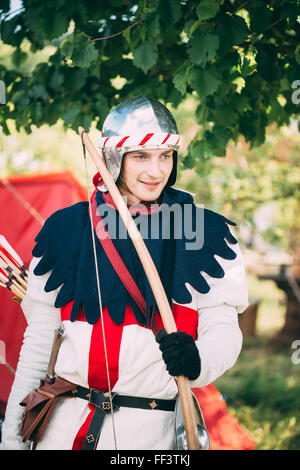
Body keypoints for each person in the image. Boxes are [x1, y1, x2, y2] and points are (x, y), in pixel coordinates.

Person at [1, 96, 248, 450]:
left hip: (151, 435)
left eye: (165, 156)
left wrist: (198, 360)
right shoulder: (65, 230)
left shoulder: (205, 234)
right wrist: (11, 442)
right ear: (114, 158)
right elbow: (38, 346)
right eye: (141, 156)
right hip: (62, 429)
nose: (156, 171)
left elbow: (224, 332)